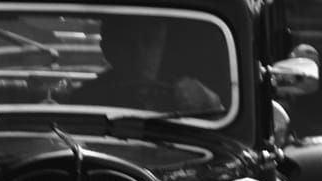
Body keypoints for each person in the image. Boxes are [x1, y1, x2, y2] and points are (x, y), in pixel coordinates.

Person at [79, 15, 220, 112]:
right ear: (109, 50)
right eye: (129, 44)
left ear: (161, 44)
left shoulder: (187, 95)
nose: (140, 54)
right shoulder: (88, 97)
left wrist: (210, 103)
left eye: (149, 41)